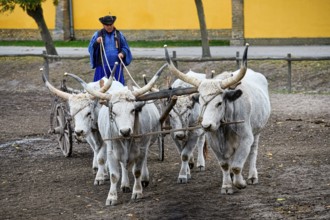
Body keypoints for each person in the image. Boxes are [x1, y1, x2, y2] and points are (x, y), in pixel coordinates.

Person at [88, 15, 132, 85]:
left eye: (110, 24)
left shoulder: (119, 34)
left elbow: (125, 47)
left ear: (113, 24)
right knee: (100, 88)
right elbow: (90, 48)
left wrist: (122, 53)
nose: (109, 26)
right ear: (103, 25)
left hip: (116, 67)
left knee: (118, 87)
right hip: (102, 67)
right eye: (107, 25)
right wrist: (97, 42)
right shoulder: (98, 34)